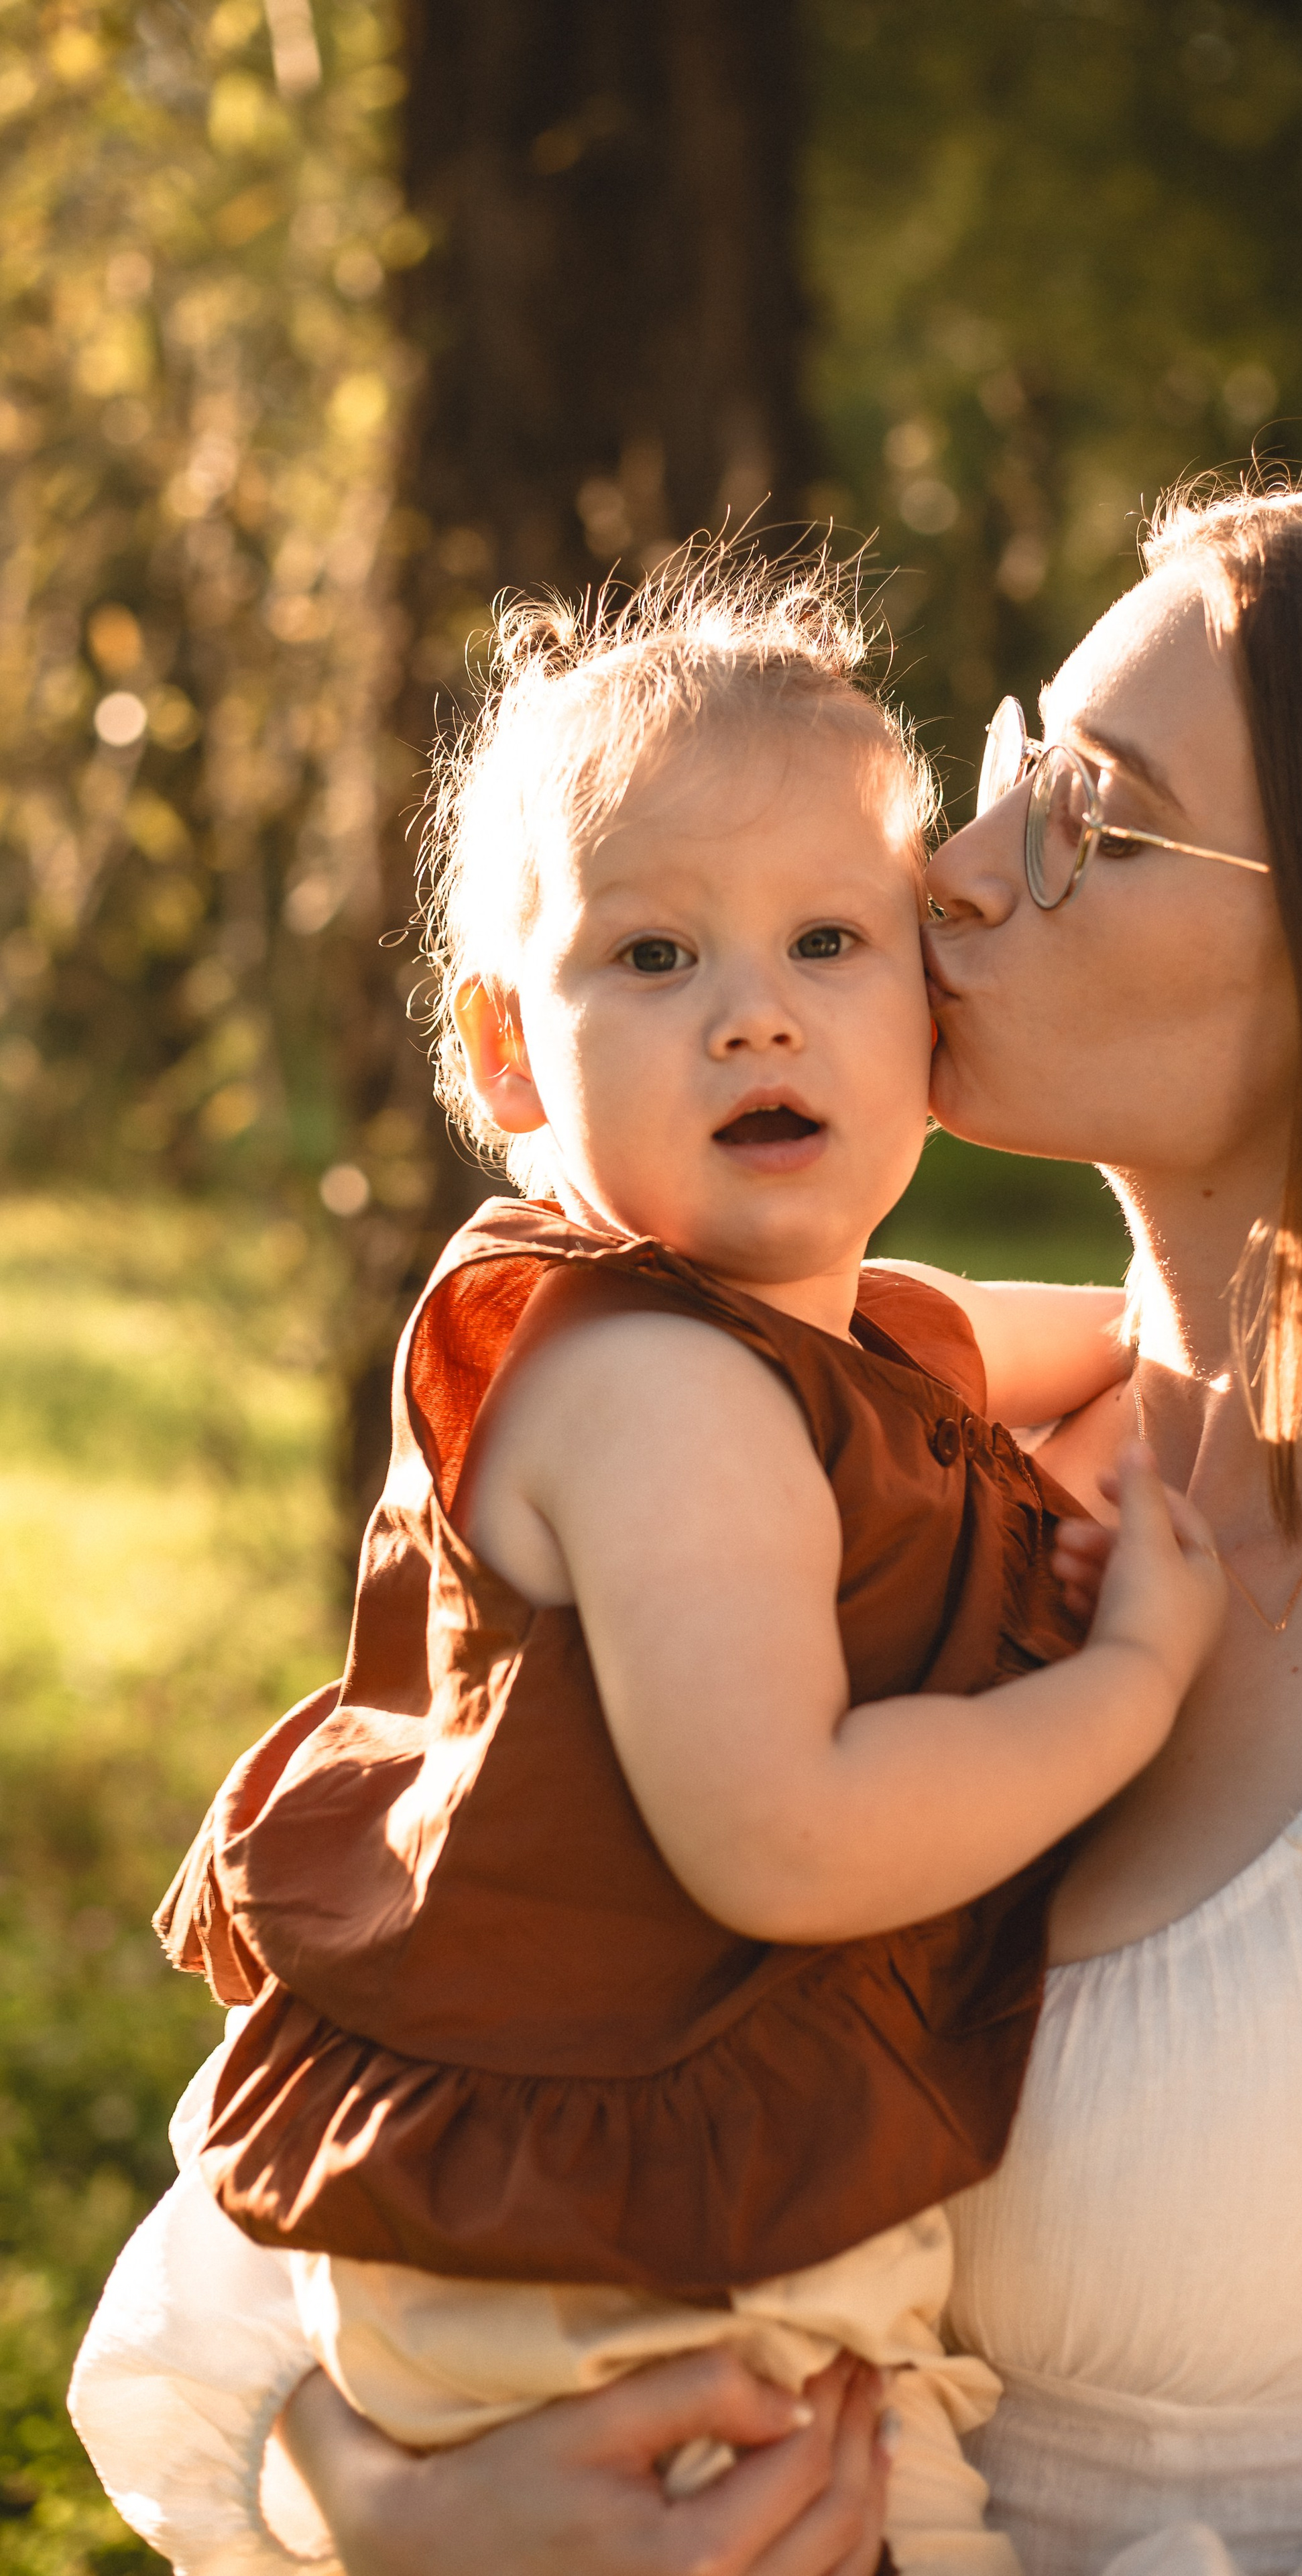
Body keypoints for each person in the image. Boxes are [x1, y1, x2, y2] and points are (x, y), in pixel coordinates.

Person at [73, 480, 1302, 2576]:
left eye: (1091, 818)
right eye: (1014, 762)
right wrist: (391, 2494)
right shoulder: (833, 1476)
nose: (949, 863)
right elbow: (266, 2254)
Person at [72, 557, 1229, 2576]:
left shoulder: (815, 1325)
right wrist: (1120, 1689)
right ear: (511, 1053)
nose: (756, 1005)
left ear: (922, 1005)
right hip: (617, 2305)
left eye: (825, 940)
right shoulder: (656, 1397)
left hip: (674, 2255)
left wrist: (1222, 1304)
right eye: (657, 954)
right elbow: (782, 1838)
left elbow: (1076, 1334)